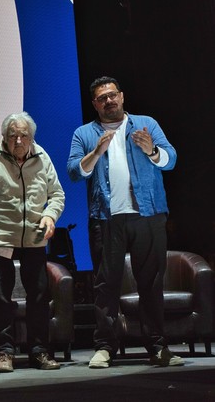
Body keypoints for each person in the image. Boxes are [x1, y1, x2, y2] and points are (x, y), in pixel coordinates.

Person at [67, 76, 183, 369]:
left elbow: (171, 160)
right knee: (106, 286)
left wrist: (152, 151)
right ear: (95, 104)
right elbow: (74, 172)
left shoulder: (146, 124)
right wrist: (96, 153)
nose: (109, 101)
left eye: (112, 95)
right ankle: (105, 347)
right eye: (102, 98)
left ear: (122, 96)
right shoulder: (85, 133)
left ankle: (157, 347)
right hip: (106, 218)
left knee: (152, 283)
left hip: (148, 215)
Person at [0, 112, 65, 373]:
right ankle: (4, 352)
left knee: (39, 296)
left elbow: (57, 194)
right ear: (5, 137)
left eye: (23, 135)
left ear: (31, 137)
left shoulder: (42, 158)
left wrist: (50, 216)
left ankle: (39, 351)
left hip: (34, 238)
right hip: (0, 239)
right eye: (13, 135)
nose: (18, 140)